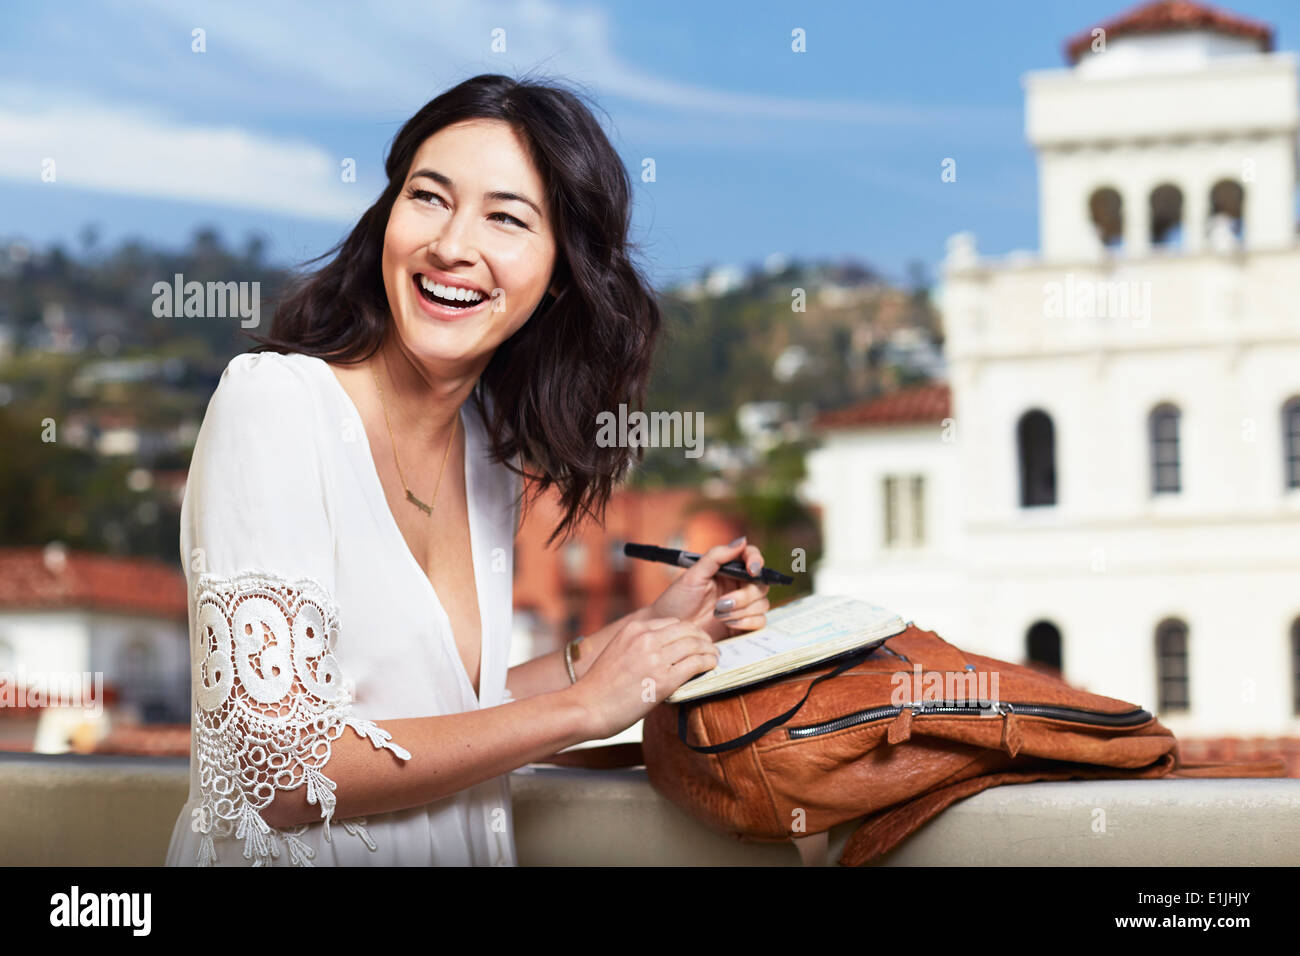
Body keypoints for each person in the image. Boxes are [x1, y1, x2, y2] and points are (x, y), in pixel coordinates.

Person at [164, 73, 771, 866]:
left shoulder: (486, 454)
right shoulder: (274, 408)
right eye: (428, 197)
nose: (452, 245)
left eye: (506, 218)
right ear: (387, 216)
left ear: (558, 273)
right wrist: (584, 709)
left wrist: (648, 633)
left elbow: (448, 710)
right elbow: (279, 772)